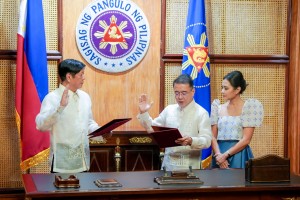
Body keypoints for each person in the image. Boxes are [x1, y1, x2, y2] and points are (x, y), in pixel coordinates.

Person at [36, 59, 107, 173]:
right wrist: (60, 108)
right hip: (62, 163)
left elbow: (89, 123)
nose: (84, 78)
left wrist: (102, 132)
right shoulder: (52, 98)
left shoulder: (85, 97)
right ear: (69, 77)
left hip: (83, 160)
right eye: (81, 74)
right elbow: (41, 125)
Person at [137, 74, 212, 171]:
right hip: (168, 166)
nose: (180, 97)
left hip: (191, 168)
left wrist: (191, 140)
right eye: (177, 93)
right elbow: (152, 128)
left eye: (184, 93)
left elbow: (207, 141)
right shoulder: (169, 110)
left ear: (193, 91)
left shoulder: (201, 113)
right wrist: (144, 113)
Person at [211, 70, 264, 169]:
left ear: (237, 89)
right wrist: (218, 155)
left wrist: (226, 155)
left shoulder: (249, 108)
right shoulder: (217, 108)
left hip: (238, 154)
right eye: (222, 88)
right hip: (218, 155)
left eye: (226, 88)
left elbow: (246, 139)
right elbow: (212, 136)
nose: (222, 91)